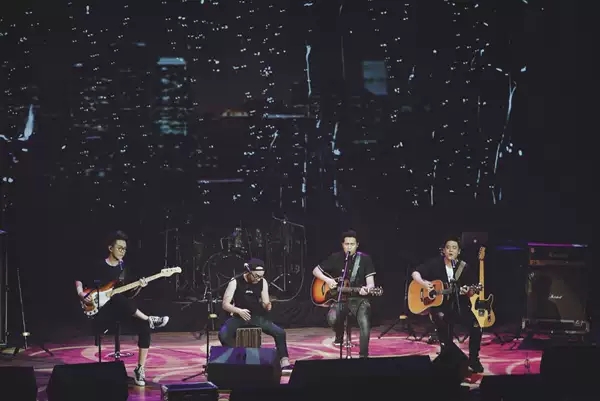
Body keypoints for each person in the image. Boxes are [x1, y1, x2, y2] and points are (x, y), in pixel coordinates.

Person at [74, 231, 170, 386]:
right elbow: (79, 279)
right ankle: (149, 318)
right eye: (119, 248)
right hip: (102, 311)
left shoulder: (125, 269)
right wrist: (81, 294)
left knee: (143, 325)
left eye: (124, 249)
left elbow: (129, 296)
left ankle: (140, 368)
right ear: (110, 248)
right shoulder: (98, 265)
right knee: (116, 296)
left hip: (122, 309)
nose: (122, 251)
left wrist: (140, 286)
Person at [411, 237, 484, 373]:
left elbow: (471, 292)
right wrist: (424, 283)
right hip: (440, 308)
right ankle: (448, 360)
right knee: (442, 321)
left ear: (459, 251)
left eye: (454, 248)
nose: (450, 250)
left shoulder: (464, 267)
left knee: (476, 327)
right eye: (448, 247)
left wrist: (469, 291)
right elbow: (415, 273)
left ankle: (474, 359)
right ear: (444, 250)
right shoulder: (435, 264)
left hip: (460, 306)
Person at [219, 258, 293, 370]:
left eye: (261, 276)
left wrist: (267, 305)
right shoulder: (235, 281)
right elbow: (225, 304)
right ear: (249, 271)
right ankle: (237, 357)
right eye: (256, 276)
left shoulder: (262, 282)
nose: (258, 279)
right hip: (238, 316)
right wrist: (239, 311)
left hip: (255, 316)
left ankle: (284, 361)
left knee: (280, 332)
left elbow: (265, 302)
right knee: (223, 335)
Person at [312, 230, 376, 358]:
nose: (349, 247)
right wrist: (328, 280)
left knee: (364, 322)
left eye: (352, 244)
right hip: (340, 299)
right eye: (347, 244)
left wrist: (367, 289)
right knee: (332, 317)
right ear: (342, 245)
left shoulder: (365, 259)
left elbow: (371, 284)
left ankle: (363, 356)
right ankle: (339, 335)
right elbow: (315, 271)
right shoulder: (335, 257)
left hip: (359, 299)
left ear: (357, 245)